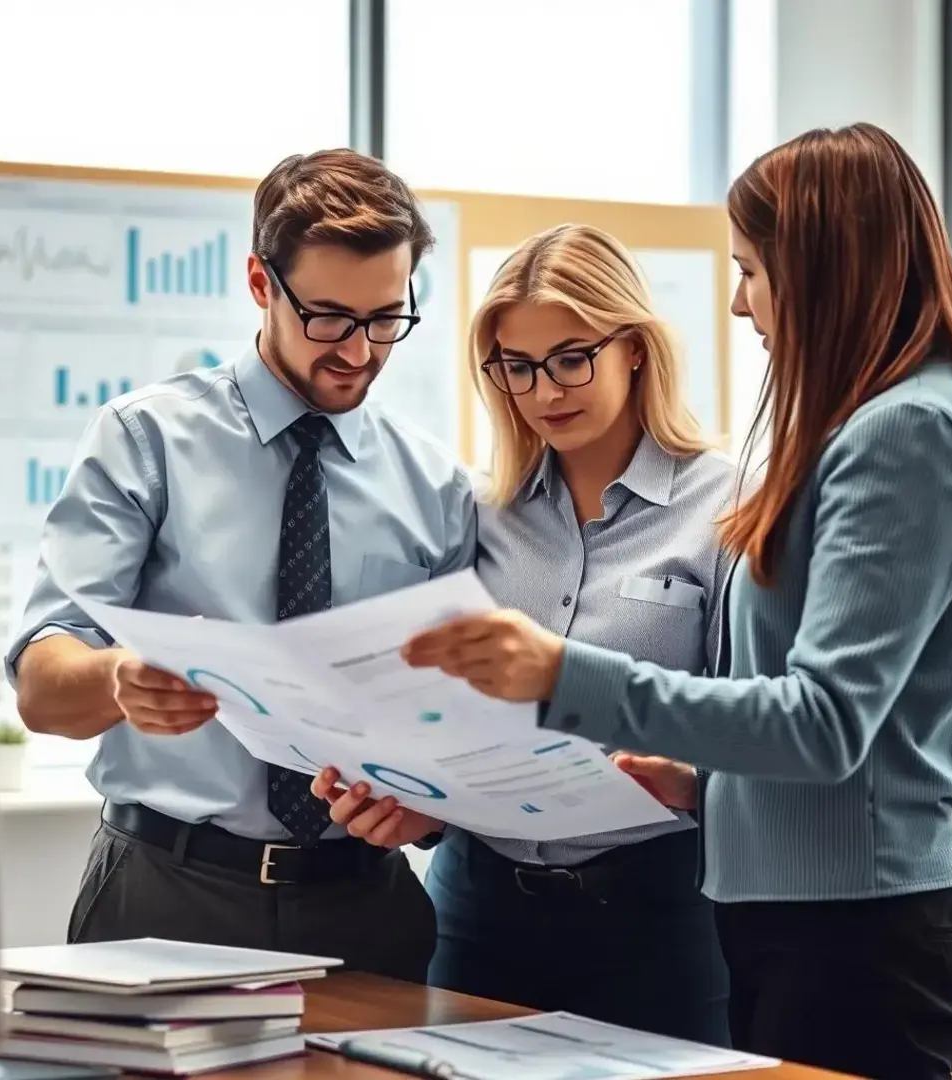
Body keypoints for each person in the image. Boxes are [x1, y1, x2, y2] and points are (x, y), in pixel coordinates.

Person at [396, 124, 952, 1078]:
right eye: (515, 369)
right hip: (794, 919)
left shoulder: (908, 434)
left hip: (852, 934)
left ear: (824, 267)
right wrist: (702, 789)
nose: (739, 304)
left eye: (753, 271)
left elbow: (824, 721)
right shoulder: (877, 425)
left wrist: (563, 673)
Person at [7, 149, 475, 982]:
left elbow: (448, 720)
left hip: (365, 910)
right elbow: (43, 688)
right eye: (328, 317)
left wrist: (421, 808)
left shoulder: (434, 485)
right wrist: (120, 677)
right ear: (261, 283)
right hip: (165, 895)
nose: (360, 353)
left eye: (385, 319)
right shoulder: (145, 440)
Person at [313, 223, 735, 1044]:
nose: (546, 391)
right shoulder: (478, 514)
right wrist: (412, 807)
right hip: (481, 911)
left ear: (636, 349)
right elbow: (439, 712)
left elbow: (761, 724)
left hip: (661, 917)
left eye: (572, 357)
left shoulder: (727, 510)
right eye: (517, 367)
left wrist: (690, 777)